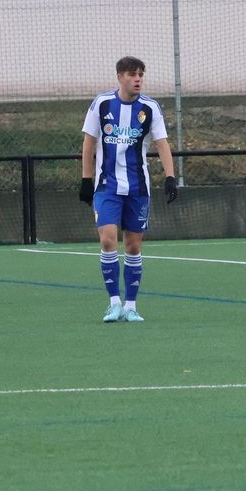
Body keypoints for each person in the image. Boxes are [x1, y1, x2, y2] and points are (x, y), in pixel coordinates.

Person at [79, 56, 178, 323]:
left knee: (133, 246)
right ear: (120, 76)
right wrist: (86, 179)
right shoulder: (102, 104)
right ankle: (113, 303)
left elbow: (163, 143)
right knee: (107, 239)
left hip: (137, 188)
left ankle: (131, 305)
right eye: (133, 74)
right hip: (107, 186)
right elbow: (89, 143)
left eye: (141, 74)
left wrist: (170, 176)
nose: (138, 79)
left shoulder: (150, 108)